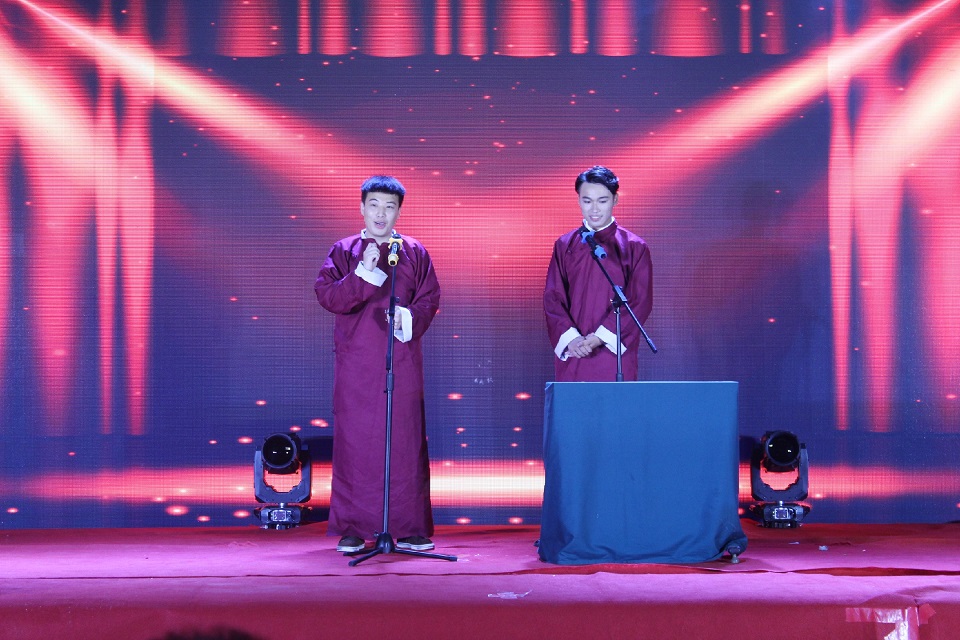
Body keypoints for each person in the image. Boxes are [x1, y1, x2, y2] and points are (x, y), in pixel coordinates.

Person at [314, 175, 440, 553]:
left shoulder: (413, 251)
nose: (381, 214)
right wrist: (363, 273)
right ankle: (355, 526)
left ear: (399, 211)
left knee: (404, 442)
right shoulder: (344, 250)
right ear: (361, 208)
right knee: (356, 445)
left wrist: (407, 317)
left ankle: (409, 526)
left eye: (389, 207)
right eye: (374, 205)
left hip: (401, 360)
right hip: (356, 364)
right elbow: (328, 297)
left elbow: (429, 298)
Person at [543, 165, 653, 382]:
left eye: (602, 201)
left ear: (615, 200)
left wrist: (599, 337)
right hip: (575, 352)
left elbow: (639, 301)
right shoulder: (564, 245)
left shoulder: (634, 247)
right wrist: (572, 339)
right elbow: (553, 297)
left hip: (614, 354)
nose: (594, 209)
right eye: (587, 201)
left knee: (615, 403)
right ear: (579, 201)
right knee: (573, 403)